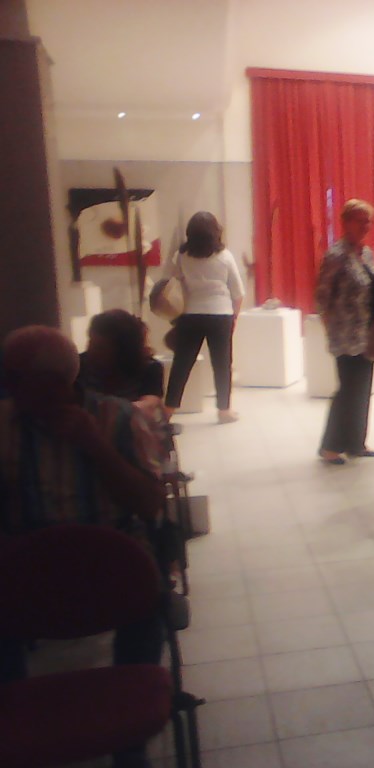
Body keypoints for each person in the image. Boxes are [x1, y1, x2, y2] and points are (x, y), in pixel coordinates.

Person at [0, 325, 165, 767]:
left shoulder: (118, 419)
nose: (6, 385)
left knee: (147, 592)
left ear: (56, 381)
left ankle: (129, 742)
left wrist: (96, 447)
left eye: (14, 376)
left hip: (109, 562)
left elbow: (149, 505)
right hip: (29, 566)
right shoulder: (4, 425)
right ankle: (16, 724)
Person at [315, 199, 374, 465]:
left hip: (368, 332)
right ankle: (330, 446)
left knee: (363, 389)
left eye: (369, 221)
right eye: (360, 221)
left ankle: (356, 442)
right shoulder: (336, 255)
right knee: (347, 389)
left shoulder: (367, 253)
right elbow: (322, 297)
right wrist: (331, 329)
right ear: (345, 222)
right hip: (345, 333)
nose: (366, 226)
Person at [163, 211, 244, 424]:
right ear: (215, 232)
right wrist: (234, 317)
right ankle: (224, 411)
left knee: (182, 364)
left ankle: (168, 410)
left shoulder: (181, 256)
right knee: (222, 364)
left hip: (190, 314)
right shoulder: (225, 256)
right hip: (221, 314)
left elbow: (172, 281)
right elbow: (238, 293)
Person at [78, 309, 164, 408]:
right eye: (90, 343)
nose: (91, 351)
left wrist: (115, 410)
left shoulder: (149, 368)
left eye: (100, 348)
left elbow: (150, 405)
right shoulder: (79, 365)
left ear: (122, 350)